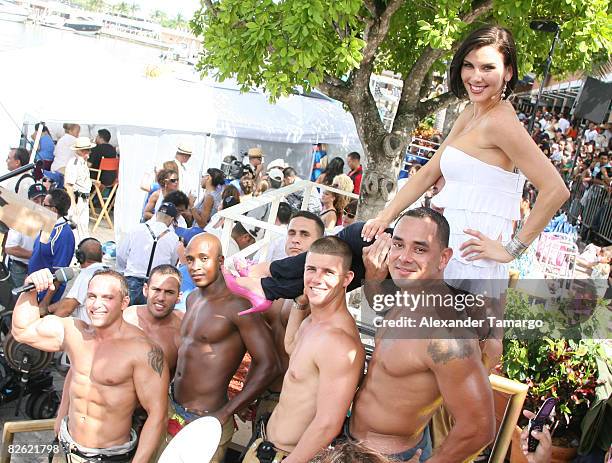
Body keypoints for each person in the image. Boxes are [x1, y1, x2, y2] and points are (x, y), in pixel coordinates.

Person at [361, 25, 569, 292]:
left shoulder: (501, 121)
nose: (475, 76)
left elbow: (556, 189)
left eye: (487, 68)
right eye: (468, 66)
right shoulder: (471, 112)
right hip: (447, 246)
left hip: (472, 259)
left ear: (508, 72)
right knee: (357, 247)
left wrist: (510, 250)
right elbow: (427, 173)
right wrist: (385, 216)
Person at [348, 208, 495, 462]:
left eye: (419, 249)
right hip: (355, 444)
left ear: (443, 258)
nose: (404, 257)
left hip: (391, 456)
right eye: (398, 244)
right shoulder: (409, 293)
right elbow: (382, 308)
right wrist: (373, 278)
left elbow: (480, 428)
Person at [12, 268, 169, 463]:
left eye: (107, 297)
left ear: (124, 303)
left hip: (110, 456)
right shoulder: (75, 332)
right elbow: (23, 331)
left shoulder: (143, 351)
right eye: (92, 296)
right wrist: (31, 288)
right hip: (68, 444)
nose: (97, 304)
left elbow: (158, 415)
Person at [242, 236, 365, 463]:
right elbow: (293, 348)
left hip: (290, 456)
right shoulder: (313, 321)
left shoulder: (339, 343)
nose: (316, 279)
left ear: (347, 278)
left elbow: (328, 423)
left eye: (328, 272)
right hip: (265, 445)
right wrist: (300, 303)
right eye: (311, 269)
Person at [167, 233, 280, 463]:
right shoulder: (192, 299)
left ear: (220, 261)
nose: (195, 266)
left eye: (203, 259)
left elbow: (271, 364)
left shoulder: (237, 306)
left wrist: (229, 410)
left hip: (207, 420)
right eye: (190, 260)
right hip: (173, 409)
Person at [250, 211, 326, 427]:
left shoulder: (319, 292)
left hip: (292, 402)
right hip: (262, 392)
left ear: (319, 243)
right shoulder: (270, 282)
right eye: (291, 233)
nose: (295, 239)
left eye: (304, 234)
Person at [117, 202, 180, 305]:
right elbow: (172, 264)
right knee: (148, 319)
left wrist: (123, 271)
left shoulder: (136, 229)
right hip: (155, 284)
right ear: (172, 220)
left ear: (156, 214)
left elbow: (121, 255)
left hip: (132, 279)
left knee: (126, 316)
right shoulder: (174, 238)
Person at [28, 189, 75, 310]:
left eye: (44, 205)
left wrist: (44, 303)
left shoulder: (64, 235)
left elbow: (59, 274)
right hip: (33, 286)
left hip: (44, 292)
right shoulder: (48, 225)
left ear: (53, 210)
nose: (40, 207)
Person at [48, 237, 106, 323]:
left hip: (88, 331)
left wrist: (47, 324)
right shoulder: (111, 273)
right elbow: (71, 299)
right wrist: (49, 309)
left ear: (80, 256)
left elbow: (67, 308)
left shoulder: (86, 275)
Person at [5, 184, 47, 288]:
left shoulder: (47, 219)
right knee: (15, 298)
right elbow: (9, 248)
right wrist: (34, 255)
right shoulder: (21, 218)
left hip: (37, 268)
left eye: (43, 200)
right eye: (36, 200)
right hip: (19, 267)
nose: (40, 204)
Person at [65, 136, 95, 241]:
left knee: (83, 227)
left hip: (83, 198)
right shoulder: (74, 164)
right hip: (77, 199)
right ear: (82, 151)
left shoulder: (83, 163)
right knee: (75, 228)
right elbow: (69, 185)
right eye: (88, 150)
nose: (90, 152)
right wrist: (73, 205)